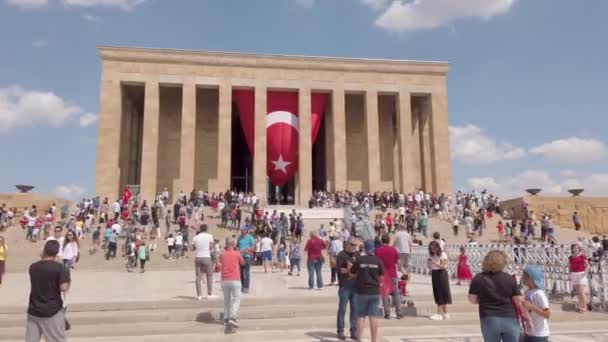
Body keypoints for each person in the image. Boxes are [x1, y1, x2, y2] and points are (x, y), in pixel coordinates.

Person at [468, 250, 526, 342]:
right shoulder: (509, 278)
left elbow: (472, 299)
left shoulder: (478, 278)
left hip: (489, 318)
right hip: (510, 318)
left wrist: (482, 300)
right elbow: (518, 300)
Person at [25, 240, 70, 342]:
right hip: (52, 310)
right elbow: (64, 288)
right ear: (57, 252)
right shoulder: (60, 268)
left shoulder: (33, 267)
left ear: (44, 250)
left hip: (34, 310)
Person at [351, 240, 383, 342]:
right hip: (374, 291)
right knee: (373, 317)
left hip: (362, 291)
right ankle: (374, 340)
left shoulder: (360, 259)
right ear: (373, 248)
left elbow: (352, 272)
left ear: (364, 247)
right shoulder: (378, 260)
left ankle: (359, 339)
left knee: (361, 316)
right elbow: (381, 275)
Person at [335, 237, 360, 341]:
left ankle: (353, 331)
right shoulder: (341, 255)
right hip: (345, 286)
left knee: (355, 310)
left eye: (356, 245)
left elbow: (359, 270)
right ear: (347, 244)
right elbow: (341, 270)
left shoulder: (357, 255)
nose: (354, 247)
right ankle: (340, 331)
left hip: (355, 287)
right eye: (352, 245)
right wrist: (350, 269)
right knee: (342, 309)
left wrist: (352, 269)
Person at [375, 233, 402, 319]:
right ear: (389, 241)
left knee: (384, 294)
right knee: (396, 293)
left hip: (382, 275)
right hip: (393, 273)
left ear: (381, 241)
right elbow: (397, 262)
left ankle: (387, 313)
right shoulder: (393, 250)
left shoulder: (377, 250)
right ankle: (399, 312)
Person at [219, 236, 245, 328]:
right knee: (236, 299)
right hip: (235, 279)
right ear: (233, 244)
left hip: (225, 279)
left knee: (227, 300)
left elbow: (220, 262)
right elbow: (243, 263)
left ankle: (226, 318)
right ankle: (233, 318)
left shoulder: (222, 254)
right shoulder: (237, 253)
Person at [521, 266, 551, 342]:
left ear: (530, 279)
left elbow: (547, 314)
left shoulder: (539, 293)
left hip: (539, 334)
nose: (522, 278)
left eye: (524, 276)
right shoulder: (527, 292)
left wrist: (531, 307)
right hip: (529, 332)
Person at [428, 240, 451, 320]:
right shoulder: (431, 255)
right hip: (434, 273)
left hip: (441, 274)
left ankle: (439, 313)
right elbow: (430, 264)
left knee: (441, 292)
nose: (432, 250)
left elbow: (442, 266)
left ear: (437, 247)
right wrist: (430, 265)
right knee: (437, 292)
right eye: (431, 249)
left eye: (434, 248)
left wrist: (434, 263)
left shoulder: (442, 254)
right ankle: (445, 313)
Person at [192, 224, 216, 300]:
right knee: (209, 275)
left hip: (198, 257)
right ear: (206, 229)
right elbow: (211, 247)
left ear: (200, 229)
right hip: (206, 256)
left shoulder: (195, 237)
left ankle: (199, 295)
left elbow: (192, 248)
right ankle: (209, 293)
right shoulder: (209, 236)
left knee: (198, 276)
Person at [569, 244, 589, 313]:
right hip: (574, 274)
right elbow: (569, 266)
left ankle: (585, 306)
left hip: (581, 274)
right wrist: (570, 273)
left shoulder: (582, 256)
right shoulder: (570, 257)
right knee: (578, 292)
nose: (576, 249)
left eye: (577, 248)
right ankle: (580, 305)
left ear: (579, 249)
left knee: (582, 291)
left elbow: (587, 265)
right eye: (574, 248)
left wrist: (585, 273)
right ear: (572, 249)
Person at [237, 226, 255, 293]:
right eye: (241, 230)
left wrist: (248, 249)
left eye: (242, 230)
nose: (241, 231)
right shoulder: (239, 238)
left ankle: (246, 287)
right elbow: (237, 246)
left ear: (246, 231)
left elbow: (253, 247)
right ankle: (242, 286)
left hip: (247, 257)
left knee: (247, 273)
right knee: (241, 273)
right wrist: (238, 250)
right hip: (240, 257)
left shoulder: (250, 238)